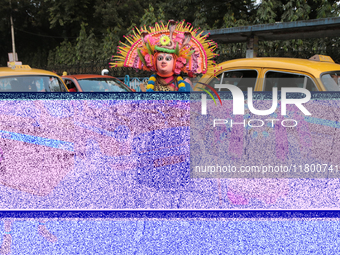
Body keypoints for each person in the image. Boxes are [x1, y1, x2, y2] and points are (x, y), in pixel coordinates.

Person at [111, 20, 217, 92]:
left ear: (176, 62)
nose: (163, 61)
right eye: (160, 58)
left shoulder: (185, 85)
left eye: (168, 58)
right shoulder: (144, 86)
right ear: (153, 61)